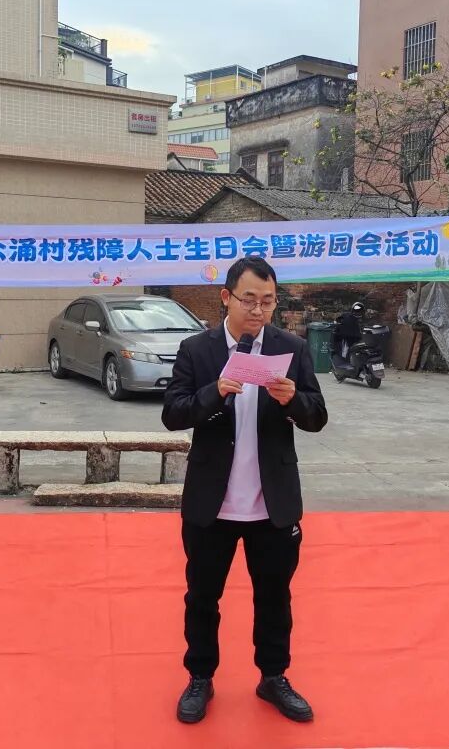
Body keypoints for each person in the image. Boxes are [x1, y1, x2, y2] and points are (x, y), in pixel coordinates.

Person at [162, 256, 328, 725]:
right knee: (202, 597)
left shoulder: (291, 348)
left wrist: (293, 400)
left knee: (274, 598)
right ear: (226, 297)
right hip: (211, 503)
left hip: (272, 503)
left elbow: (317, 416)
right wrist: (215, 392)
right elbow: (173, 414)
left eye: (268, 301)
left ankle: (273, 677)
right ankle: (200, 677)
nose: (258, 311)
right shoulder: (197, 350)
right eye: (249, 300)